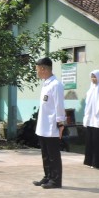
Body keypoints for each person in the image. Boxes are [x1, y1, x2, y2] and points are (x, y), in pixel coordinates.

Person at [33, 57, 65, 189]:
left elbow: (59, 106)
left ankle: (55, 180)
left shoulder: (56, 85)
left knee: (53, 155)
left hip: (52, 126)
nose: (36, 72)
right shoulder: (46, 83)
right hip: (43, 125)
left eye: (37, 69)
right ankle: (48, 176)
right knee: (45, 155)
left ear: (43, 69)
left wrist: (61, 124)